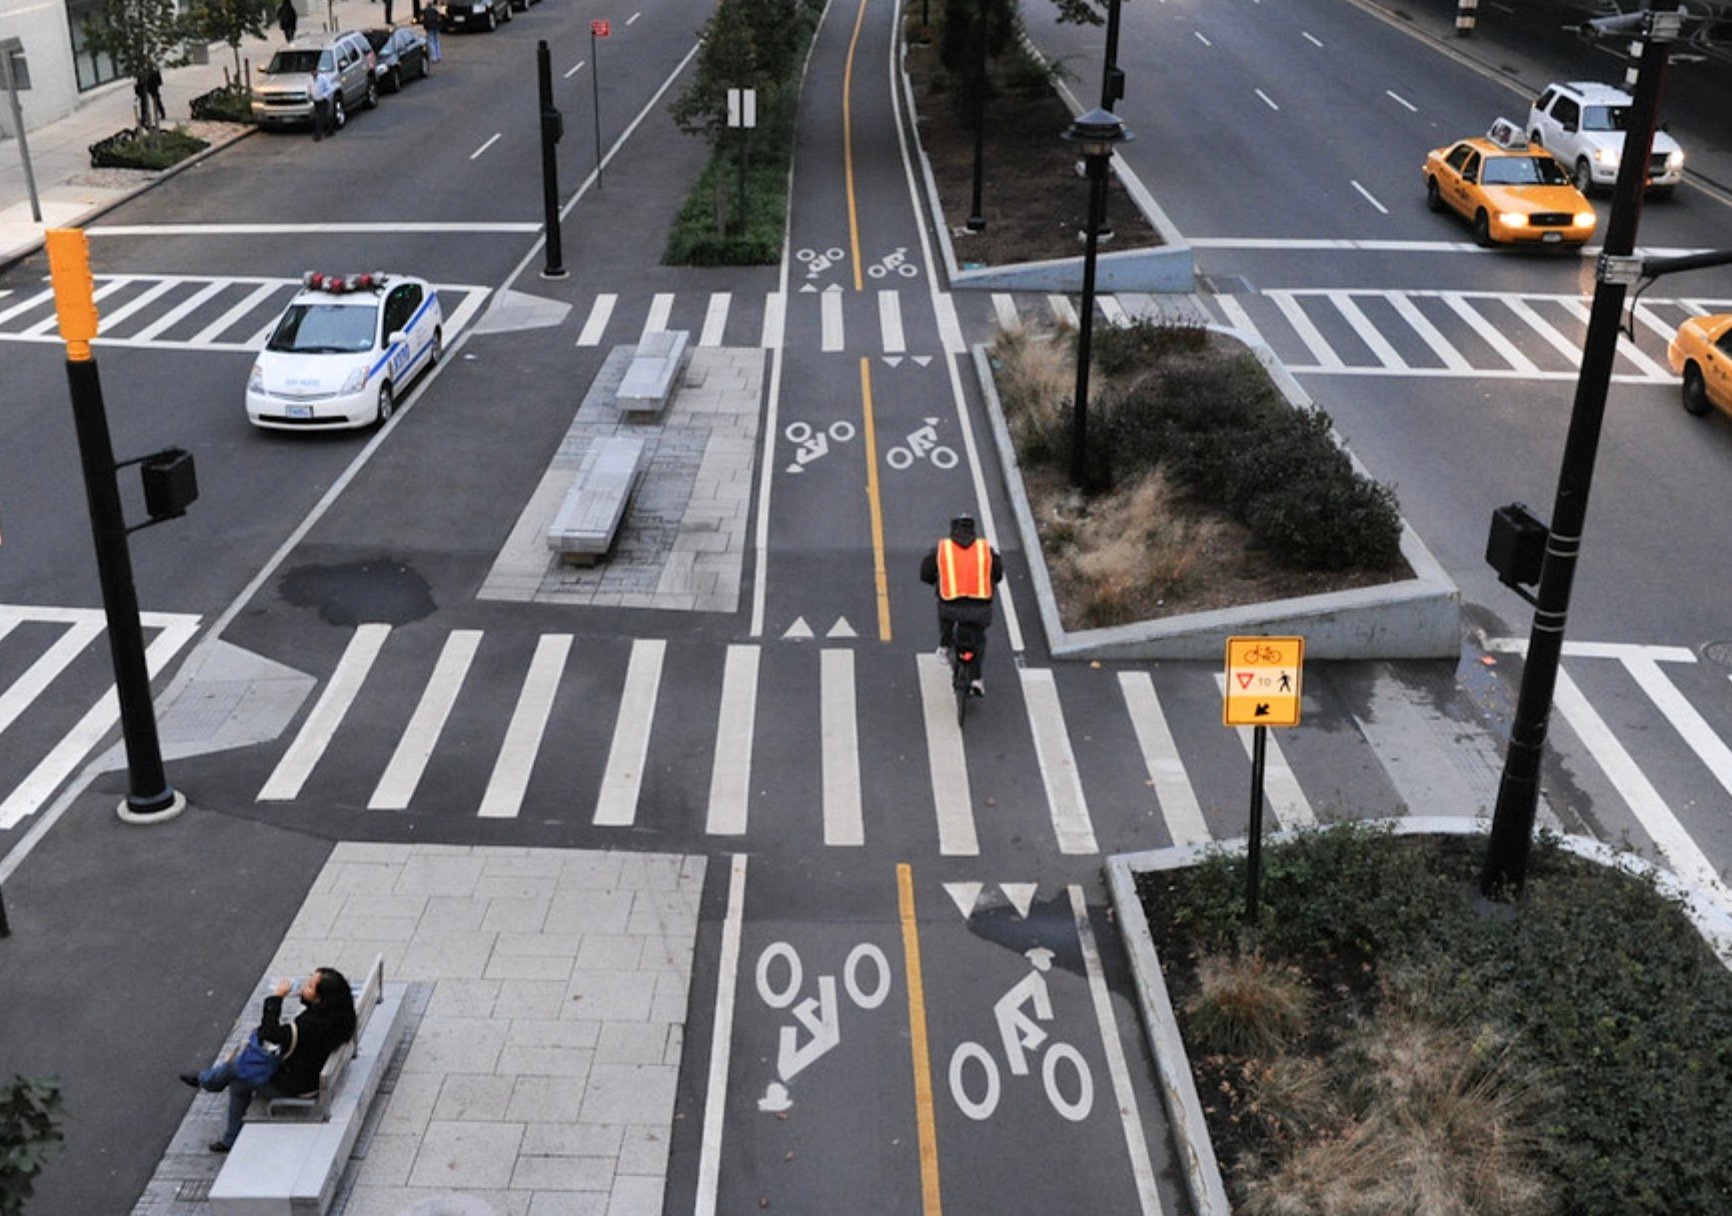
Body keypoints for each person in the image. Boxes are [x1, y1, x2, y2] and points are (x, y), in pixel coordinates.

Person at [180, 968, 357, 1154]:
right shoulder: (340, 1016)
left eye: (310, 987)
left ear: (321, 998)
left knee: (237, 1072)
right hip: (310, 1076)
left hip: (296, 1088)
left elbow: (269, 1032)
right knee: (239, 1076)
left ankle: (207, 1082)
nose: (304, 987)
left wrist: (277, 997)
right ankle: (227, 1131)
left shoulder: (307, 1028)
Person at [919, 512, 1003, 696]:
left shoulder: (942, 549)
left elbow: (925, 574)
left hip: (951, 607)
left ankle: (945, 645)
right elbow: (998, 575)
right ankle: (977, 679)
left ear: (953, 530)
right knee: (979, 638)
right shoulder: (985, 549)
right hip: (980, 609)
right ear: (973, 530)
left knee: (944, 613)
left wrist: (937, 582)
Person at [310, 67, 334, 141]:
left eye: (314, 71)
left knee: (319, 118)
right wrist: (310, 95)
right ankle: (330, 130)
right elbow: (310, 87)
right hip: (316, 100)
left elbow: (330, 88)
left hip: (323, 100)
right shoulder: (310, 79)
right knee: (324, 117)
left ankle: (318, 135)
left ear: (317, 71)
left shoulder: (323, 78)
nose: (313, 73)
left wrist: (324, 95)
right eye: (311, 72)